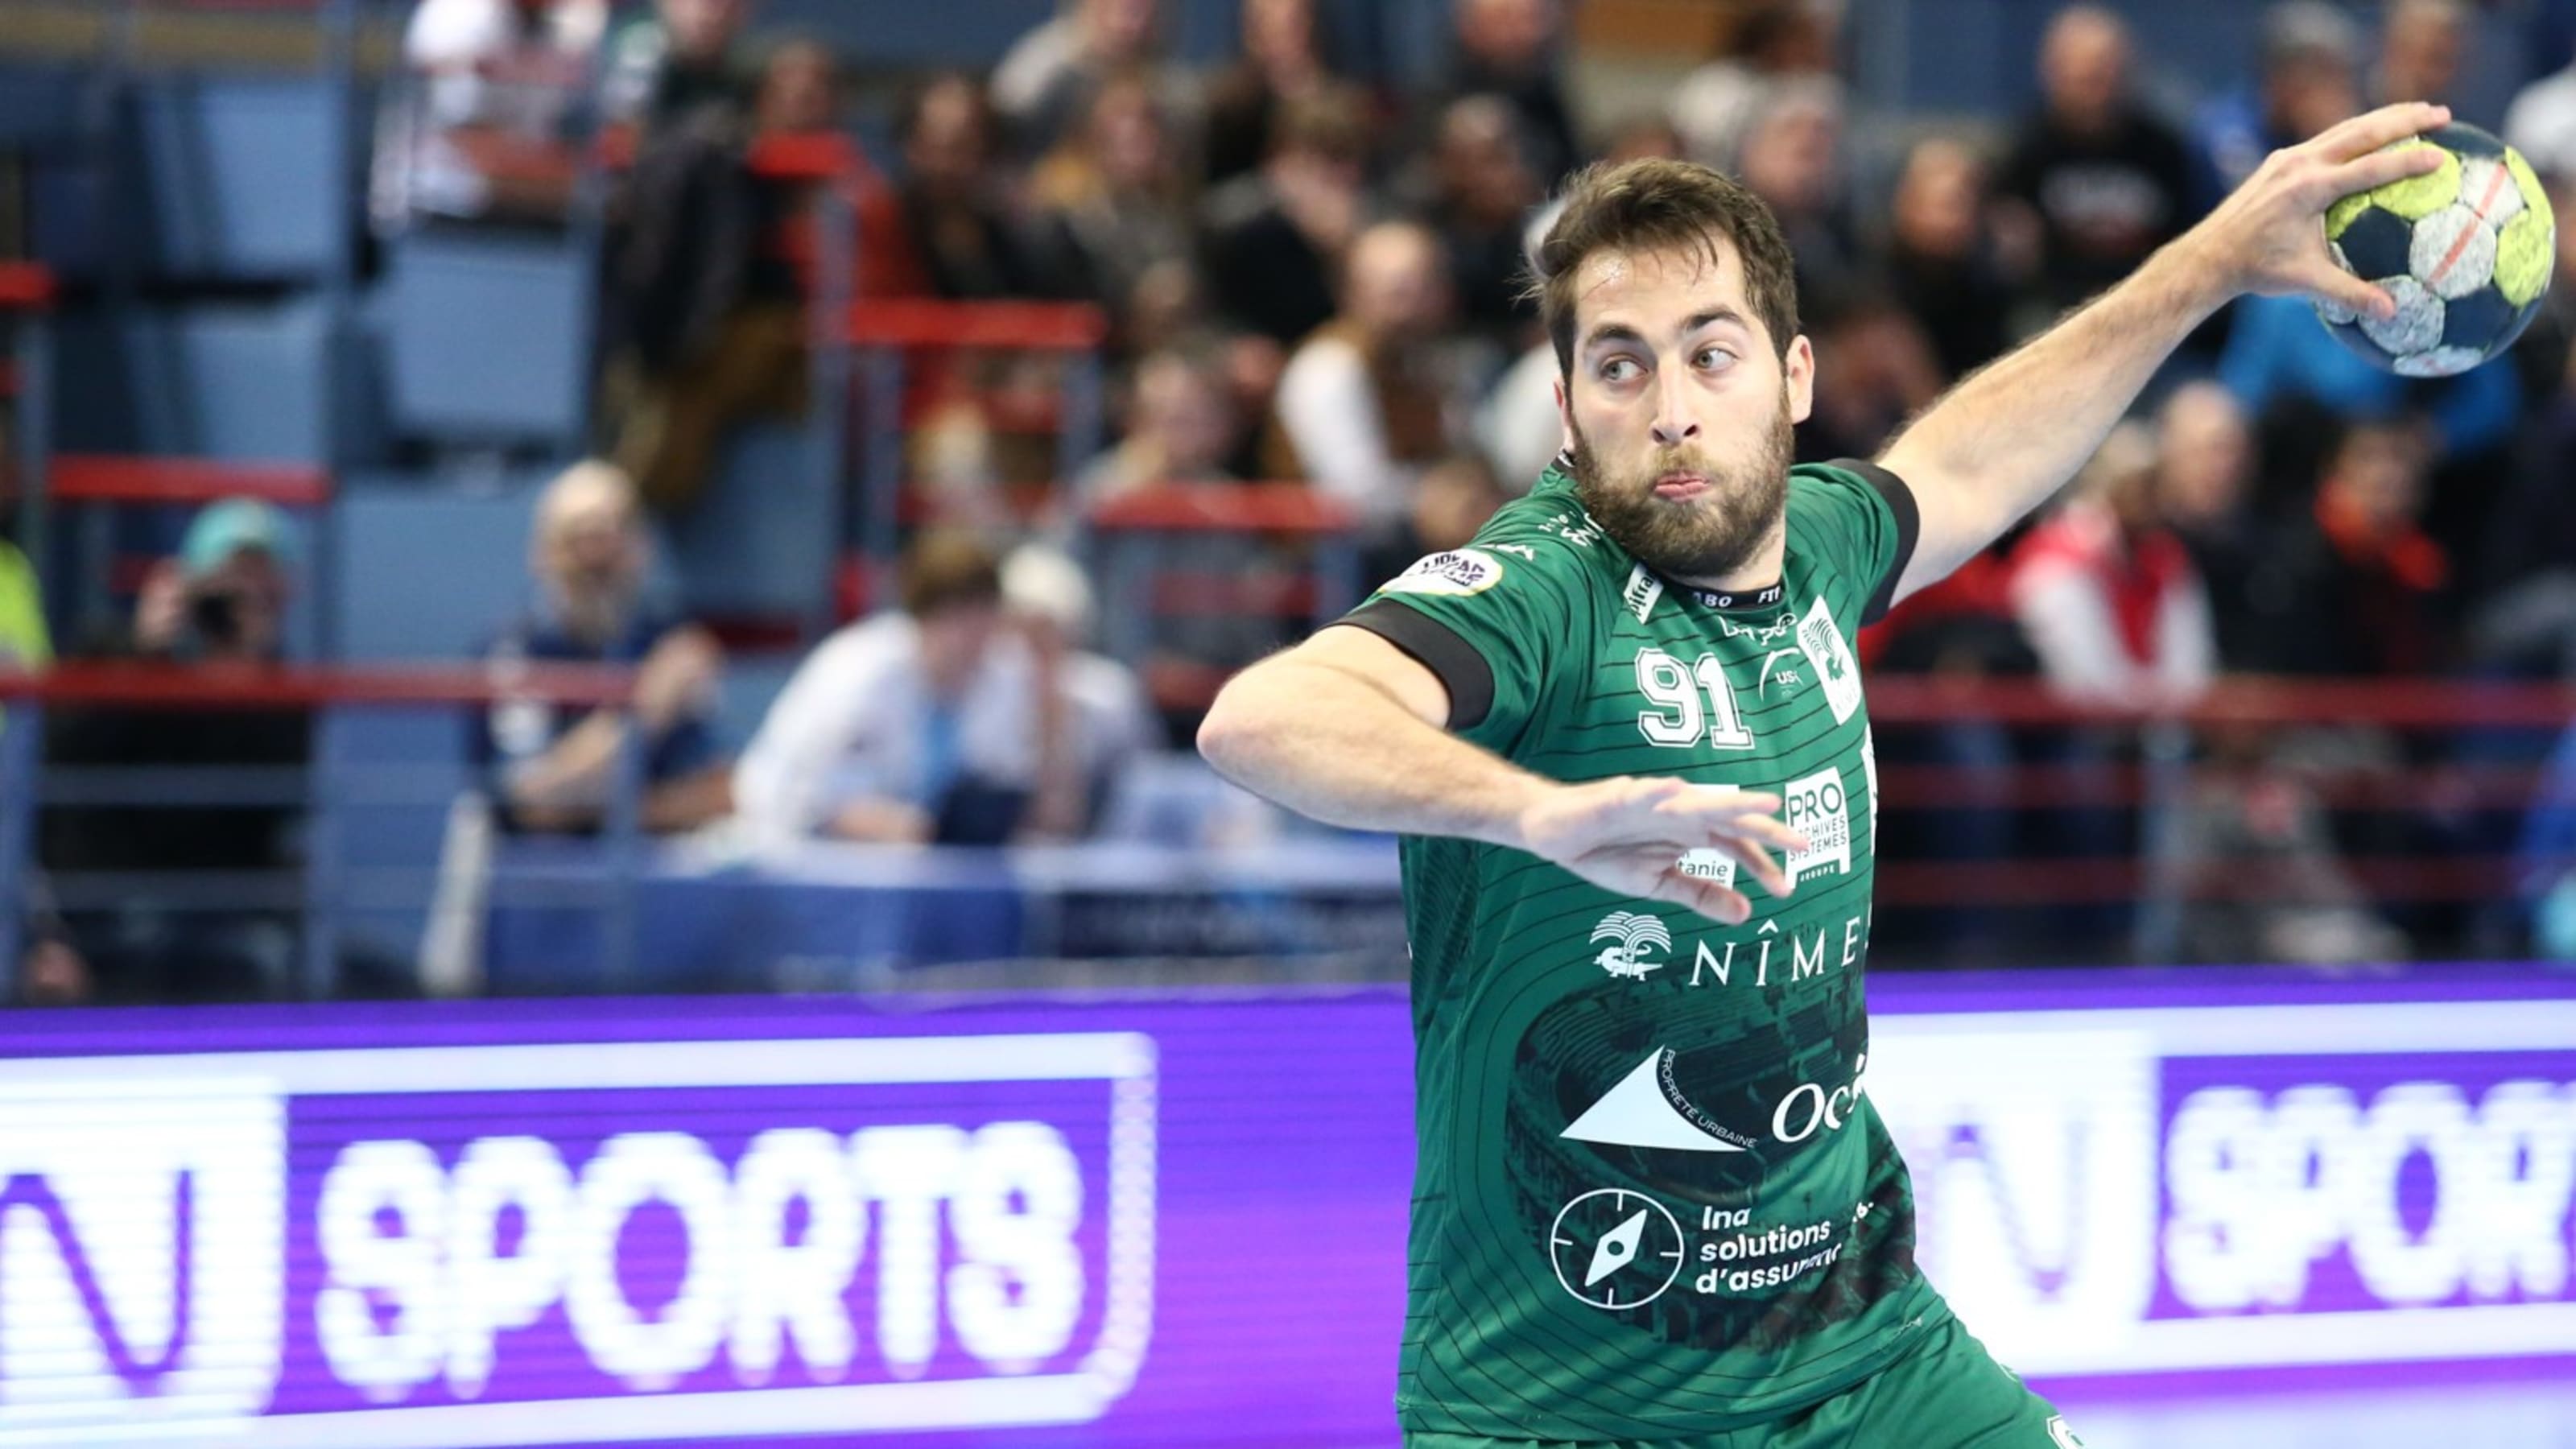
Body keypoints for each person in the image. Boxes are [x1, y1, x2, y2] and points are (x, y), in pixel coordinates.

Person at [1197, 104, 2452, 1447]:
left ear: (1793, 377)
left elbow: (1972, 456)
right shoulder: (1540, 592)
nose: (1672, 411)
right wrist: (1537, 813)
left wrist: (2211, 261)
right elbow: (1264, 717)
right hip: (1568, 1406)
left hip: (1868, 1360)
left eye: (1711, 354)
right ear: (1564, 408)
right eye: (1619, 366)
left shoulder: (1821, 544)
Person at [732, 531, 1095, 850]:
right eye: (961, 618)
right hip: (805, 856)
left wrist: (1052, 725)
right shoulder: (858, 674)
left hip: (938, 871)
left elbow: (1041, 815)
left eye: (986, 618)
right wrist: (891, 826)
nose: (976, 637)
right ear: (922, 618)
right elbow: (794, 793)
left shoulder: (1006, 678)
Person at [474, 461, 732, 833]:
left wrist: (593, 806)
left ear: (643, 547)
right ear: (541, 552)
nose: (597, 555)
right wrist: (648, 708)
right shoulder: (515, 648)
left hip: (659, 861)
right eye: (577, 537)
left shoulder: (669, 641)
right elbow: (532, 803)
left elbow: (718, 794)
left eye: (614, 534)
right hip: (535, 865)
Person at [1996, 6, 2200, 315]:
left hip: (2145, 307)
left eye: (2105, 71)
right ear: (2052, 72)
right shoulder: (2026, 150)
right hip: (2054, 311)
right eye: (2084, 75)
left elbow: (2185, 243)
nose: (2096, 86)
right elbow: (2015, 258)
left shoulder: (2163, 151)